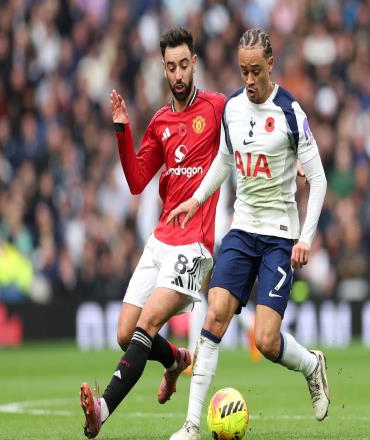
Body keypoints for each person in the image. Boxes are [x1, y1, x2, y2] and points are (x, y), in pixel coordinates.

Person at [167, 28, 329, 440]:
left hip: (279, 236)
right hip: (242, 229)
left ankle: (312, 365)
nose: (250, 79)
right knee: (214, 314)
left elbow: (319, 179)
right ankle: (191, 424)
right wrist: (196, 199)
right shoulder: (233, 109)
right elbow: (224, 161)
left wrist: (305, 238)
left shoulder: (291, 113)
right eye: (244, 71)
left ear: (271, 64)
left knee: (266, 340)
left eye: (256, 70)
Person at [79, 27, 226, 438]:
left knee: (146, 323)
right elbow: (137, 180)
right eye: (171, 67)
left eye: (184, 65)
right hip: (161, 240)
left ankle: (102, 409)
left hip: (194, 244)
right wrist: (123, 130)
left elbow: (251, 127)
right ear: (163, 68)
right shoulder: (160, 121)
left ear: (194, 63)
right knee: (125, 332)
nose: (178, 74)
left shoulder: (216, 108)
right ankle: (176, 359)